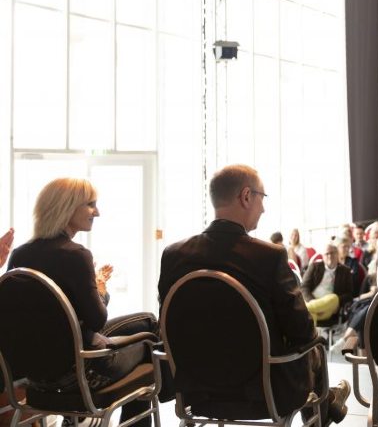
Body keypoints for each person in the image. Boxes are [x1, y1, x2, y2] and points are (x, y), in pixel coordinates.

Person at [157, 165, 349, 423]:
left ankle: (329, 402)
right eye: (262, 197)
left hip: (197, 391)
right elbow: (301, 331)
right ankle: (325, 408)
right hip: (265, 393)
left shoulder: (173, 255)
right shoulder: (269, 256)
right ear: (246, 196)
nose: (264, 208)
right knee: (315, 346)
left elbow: (167, 324)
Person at [8, 179, 169, 427]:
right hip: (81, 373)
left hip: (34, 375)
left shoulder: (19, 255)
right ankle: (173, 394)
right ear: (67, 207)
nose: (97, 212)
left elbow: (46, 316)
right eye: (91, 204)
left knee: (146, 320)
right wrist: (100, 287)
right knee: (149, 344)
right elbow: (96, 320)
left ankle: (72, 420)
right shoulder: (77, 255)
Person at [300, 241, 353, 322]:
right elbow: (304, 287)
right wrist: (313, 301)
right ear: (323, 256)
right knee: (312, 316)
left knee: (334, 298)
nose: (330, 256)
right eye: (327, 254)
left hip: (330, 306)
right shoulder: (314, 267)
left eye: (332, 253)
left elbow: (349, 294)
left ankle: (305, 310)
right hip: (312, 300)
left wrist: (338, 301)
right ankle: (312, 310)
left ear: (337, 254)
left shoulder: (345, 271)